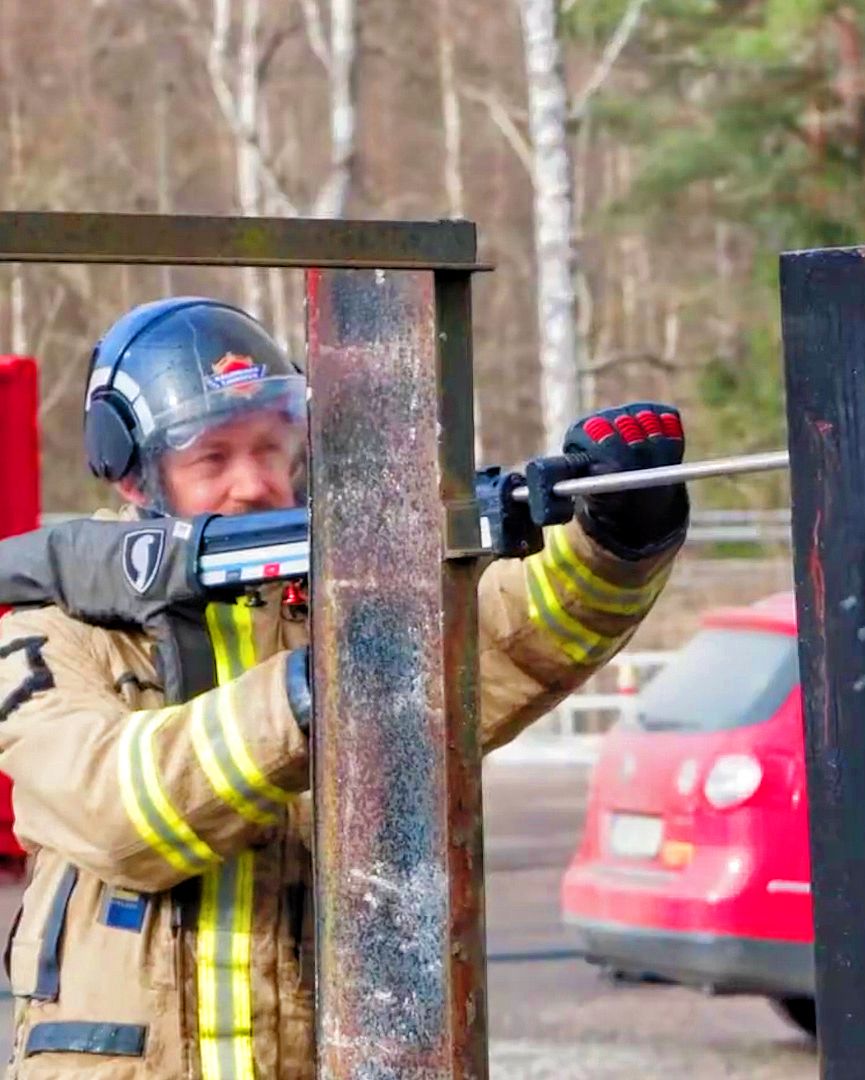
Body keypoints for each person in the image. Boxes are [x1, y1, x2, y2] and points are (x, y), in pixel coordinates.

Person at [0, 297, 689, 1078]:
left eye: (271, 448)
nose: (255, 484)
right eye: (213, 459)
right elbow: (120, 812)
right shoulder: (54, 625)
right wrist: (319, 688)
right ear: (134, 479)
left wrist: (614, 540)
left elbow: (505, 646)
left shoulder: (339, 596)